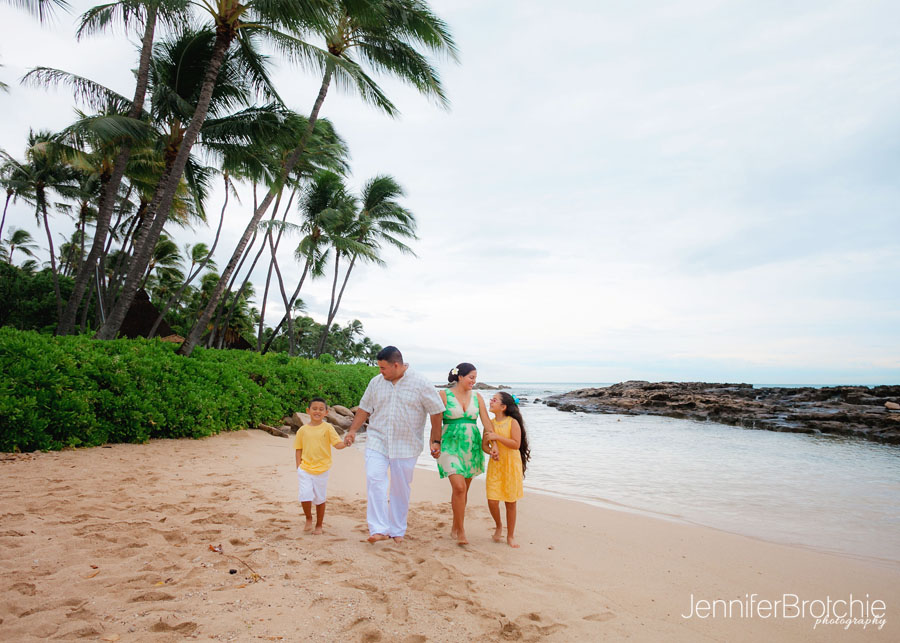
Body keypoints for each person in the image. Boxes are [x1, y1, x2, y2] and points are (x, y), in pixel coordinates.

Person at [344, 346, 445, 543]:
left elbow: (436, 411)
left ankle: (397, 530)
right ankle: (378, 529)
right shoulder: (376, 382)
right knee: (375, 479)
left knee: (400, 488)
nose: (380, 372)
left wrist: (435, 440)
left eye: (383, 368)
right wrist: (352, 431)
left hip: (406, 444)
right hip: (377, 440)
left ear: (396, 365)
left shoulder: (421, 382)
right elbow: (364, 408)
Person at [437, 362, 495, 545]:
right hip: (449, 446)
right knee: (459, 487)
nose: (474, 381)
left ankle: (456, 525)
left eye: (475, 378)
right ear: (460, 377)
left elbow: (486, 422)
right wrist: (435, 442)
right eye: (471, 377)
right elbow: (435, 421)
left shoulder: (477, 397)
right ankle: (461, 531)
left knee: (462, 490)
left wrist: (494, 444)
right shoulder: (443, 395)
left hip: (472, 448)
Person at [483, 392, 530, 548]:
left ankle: (510, 535)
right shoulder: (489, 424)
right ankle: (498, 525)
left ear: (503, 407)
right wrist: (491, 451)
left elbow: (515, 444)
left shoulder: (512, 422)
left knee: (510, 502)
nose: (490, 401)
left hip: (511, 465)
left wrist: (496, 437)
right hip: (495, 465)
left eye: (494, 400)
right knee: (492, 500)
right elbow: (484, 445)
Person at [294, 397, 346, 535]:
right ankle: (308, 518)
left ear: (326, 412)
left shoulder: (328, 428)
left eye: (321, 409)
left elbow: (337, 444)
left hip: (322, 469)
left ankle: (319, 525)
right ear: (308, 411)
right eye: (314, 409)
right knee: (305, 495)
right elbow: (298, 449)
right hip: (305, 468)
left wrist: (346, 443)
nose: (317, 411)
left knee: (320, 498)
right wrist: (298, 466)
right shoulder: (302, 430)